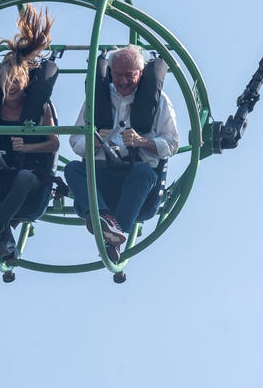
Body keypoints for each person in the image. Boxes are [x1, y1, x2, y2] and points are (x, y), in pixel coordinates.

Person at [64, 45, 179, 262]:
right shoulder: (96, 100)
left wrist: (142, 142)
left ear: (141, 73)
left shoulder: (159, 101)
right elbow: (75, 140)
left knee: (145, 173)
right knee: (72, 169)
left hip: (136, 186)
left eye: (130, 75)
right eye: (118, 75)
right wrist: (95, 141)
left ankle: (115, 233)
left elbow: (172, 142)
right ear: (110, 72)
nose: (124, 81)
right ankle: (105, 219)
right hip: (101, 181)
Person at [0, 3, 59, 262]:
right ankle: (5, 241)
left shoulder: (41, 109)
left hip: (29, 182)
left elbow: (54, 144)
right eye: (7, 81)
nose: (11, 87)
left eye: (15, 81)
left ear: (25, 81)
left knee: (25, 177)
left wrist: (27, 147)